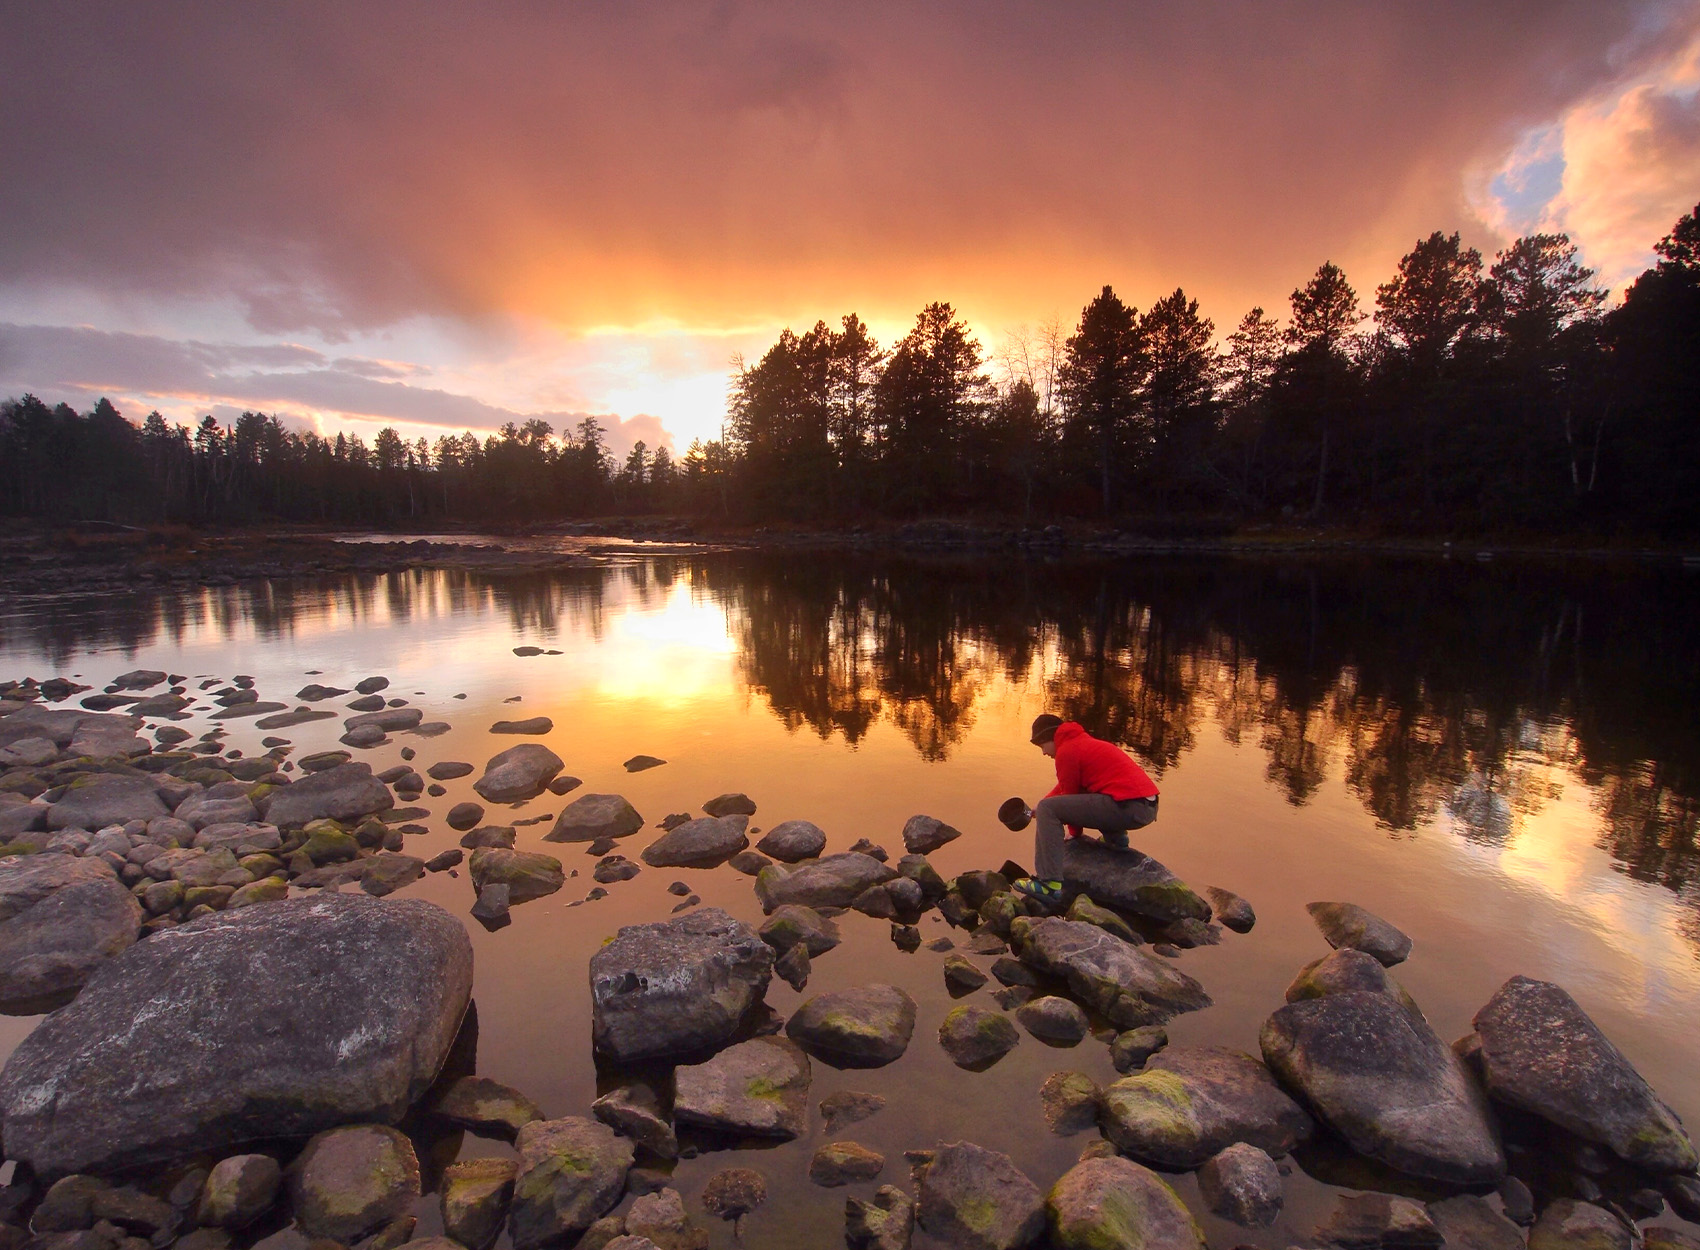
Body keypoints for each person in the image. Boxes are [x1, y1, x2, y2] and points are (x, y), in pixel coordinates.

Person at [1012, 713, 1159, 906]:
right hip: (1145, 805)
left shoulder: (1066, 752)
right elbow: (1071, 788)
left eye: (1042, 746)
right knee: (1054, 802)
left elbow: (1069, 797)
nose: (1044, 753)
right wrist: (1042, 803)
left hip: (1129, 807)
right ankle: (1116, 841)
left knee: (1049, 809)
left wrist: (1074, 833)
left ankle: (1048, 883)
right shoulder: (1081, 743)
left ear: (1051, 737)